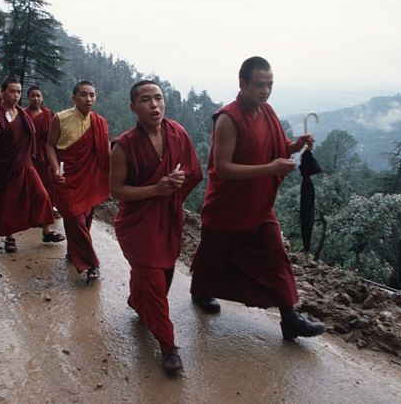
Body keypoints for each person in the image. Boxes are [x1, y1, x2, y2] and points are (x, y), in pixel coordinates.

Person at [189, 56, 326, 340]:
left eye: (270, 85)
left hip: (259, 203)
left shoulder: (267, 112)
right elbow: (222, 168)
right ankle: (201, 291)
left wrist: (295, 146)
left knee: (276, 257)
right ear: (242, 84)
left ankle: (290, 318)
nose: (265, 91)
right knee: (213, 257)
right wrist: (270, 168)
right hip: (227, 205)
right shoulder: (228, 119)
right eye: (259, 85)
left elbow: (274, 148)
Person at [110, 80, 203, 375]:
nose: (154, 105)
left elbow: (193, 172)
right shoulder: (124, 146)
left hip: (168, 217)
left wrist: (173, 190)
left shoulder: (178, 133)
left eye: (159, 98)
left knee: (161, 277)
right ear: (133, 107)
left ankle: (138, 301)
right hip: (137, 225)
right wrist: (156, 190)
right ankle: (167, 345)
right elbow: (117, 192)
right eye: (146, 100)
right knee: (152, 277)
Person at [0, 77, 64, 252]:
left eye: (18, 92)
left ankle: (46, 231)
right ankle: (9, 237)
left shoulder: (22, 113)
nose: (15, 95)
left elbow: (32, 137)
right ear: (3, 92)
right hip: (6, 166)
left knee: (42, 195)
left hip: (25, 163)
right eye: (12, 91)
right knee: (9, 202)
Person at [45, 80, 110, 282]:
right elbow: (49, 146)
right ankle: (91, 263)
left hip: (89, 178)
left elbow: (105, 153)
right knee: (74, 216)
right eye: (83, 94)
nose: (88, 99)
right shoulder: (60, 118)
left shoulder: (99, 122)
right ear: (74, 98)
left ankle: (75, 251)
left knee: (85, 217)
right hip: (67, 177)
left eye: (92, 94)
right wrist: (56, 168)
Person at [23, 85, 61, 221]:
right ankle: (32, 210)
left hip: (46, 154)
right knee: (31, 182)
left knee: (49, 182)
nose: (36, 98)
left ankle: (50, 208)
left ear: (42, 98)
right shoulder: (23, 114)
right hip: (28, 154)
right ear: (28, 98)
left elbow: (53, 137)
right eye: (33, 96)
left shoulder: (48, 114)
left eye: (38, 96)